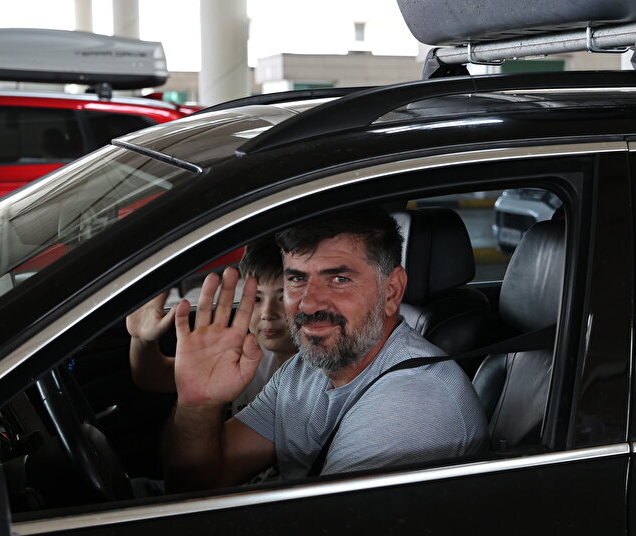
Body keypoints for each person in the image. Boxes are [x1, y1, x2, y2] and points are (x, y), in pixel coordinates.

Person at [162, 208, 486, 492]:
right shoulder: (303, 369)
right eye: (297, 279)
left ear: (391, 291)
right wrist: (198, 405)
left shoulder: (411, 404)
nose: (309, 303)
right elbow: (202, 482)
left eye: (339, 279)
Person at [126, 238, 296, 415]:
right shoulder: (248, 353)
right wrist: (141, 339)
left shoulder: (318, 373)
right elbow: (154, 378)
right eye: (257, 299)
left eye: (283, 298)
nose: (267, 313)